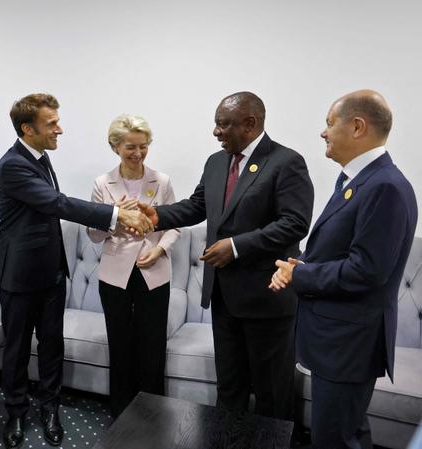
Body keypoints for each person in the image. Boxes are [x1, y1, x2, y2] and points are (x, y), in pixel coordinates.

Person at [138, 92, 314, 420]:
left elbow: (295, 223)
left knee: (270, 396)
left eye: (223, 125)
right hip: (223, 295)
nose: (216, 132)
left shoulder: (286, 162)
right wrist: (157, 216)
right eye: (216, 124)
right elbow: (197, 205)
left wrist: (235, 246)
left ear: (250, 124)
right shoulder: (216, 162)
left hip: (267, 299)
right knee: (229, 388)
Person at [0, 93, 152, 448]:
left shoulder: (42, 158)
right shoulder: (12, 165)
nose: (59, 129)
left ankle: (50, 408)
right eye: (51, 124)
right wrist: (115, 214)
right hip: (18, 276)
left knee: (52, 345)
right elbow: (57, 203)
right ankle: (16, 412)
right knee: (17, 348)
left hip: (51, 272)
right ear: (27, 128)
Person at [270, 90, 417, 449]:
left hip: (349, 344)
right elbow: (339, 248)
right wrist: (300, 263)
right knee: (348, 433)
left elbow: (367, 270)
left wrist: (298, 275)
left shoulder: (386, 187)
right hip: (335, 340)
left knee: (334, 439)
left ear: (357, 127)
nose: (323, 132)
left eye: (329, 123)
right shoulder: (355, 181)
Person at [87, 115, 179, 418]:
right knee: (121, 345)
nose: (138, 153)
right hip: (115, 276)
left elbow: (175, 225)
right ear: (116, 147)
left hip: (153, 272)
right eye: (131, 147)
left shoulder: (161, 181)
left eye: (143, 146)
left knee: (152, 346)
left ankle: (154, 413)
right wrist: (113, 216)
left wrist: (160, 250)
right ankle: (122, 413)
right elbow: (94, 235)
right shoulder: (103, 184)